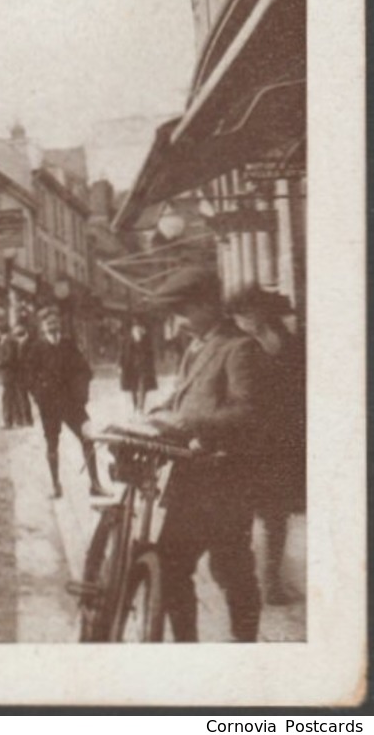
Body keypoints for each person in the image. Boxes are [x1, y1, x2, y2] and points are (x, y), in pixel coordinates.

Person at [141, 266, 263, 642]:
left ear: (209, 304)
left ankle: (245, 650)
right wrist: (156, 416)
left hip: (224, 481)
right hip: (192, 482)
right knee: (171, 566)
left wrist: (187, 424)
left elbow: (248, 412)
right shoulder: (197, 346)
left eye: (184, 309)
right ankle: (189, 649)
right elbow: (182, 397)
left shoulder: (239, 347)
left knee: (230, 570)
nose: (178, 319)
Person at [228, 285, 305, 606]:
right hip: (245, 441)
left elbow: (299, 378)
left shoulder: (283, 336)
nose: (246, 319)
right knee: (243, 515)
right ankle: (247, 583)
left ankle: (271, 583)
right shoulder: (234, 343)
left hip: (282, 438)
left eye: (250, 311)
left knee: (276, 515)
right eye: (241, 314)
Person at [22, 307, 105, 499]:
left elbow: (84, 369)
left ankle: (95, 484)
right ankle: (55, 485)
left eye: (55, 322)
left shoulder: (68, 345)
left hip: (72, 403)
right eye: (48, 323)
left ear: (60, 324)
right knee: (52, 445)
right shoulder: (36, 348)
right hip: (49, 405)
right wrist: (39, 394)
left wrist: (81, 392)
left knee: (88, 438)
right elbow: (28, 376)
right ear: (42, 327)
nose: (53, 326)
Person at [119, 317, 158, 412]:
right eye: (135, 328)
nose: (137, 330)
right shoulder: (127, 340)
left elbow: (150, 353)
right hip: (130, 367)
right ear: (132, 329)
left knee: (142, 386)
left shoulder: (146, 339)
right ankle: (135, 406)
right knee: (133, 388)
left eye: (139, 327)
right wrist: (120, 365)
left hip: (143, 366)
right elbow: (122, 353)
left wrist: (151, 366)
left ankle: (140, 408)